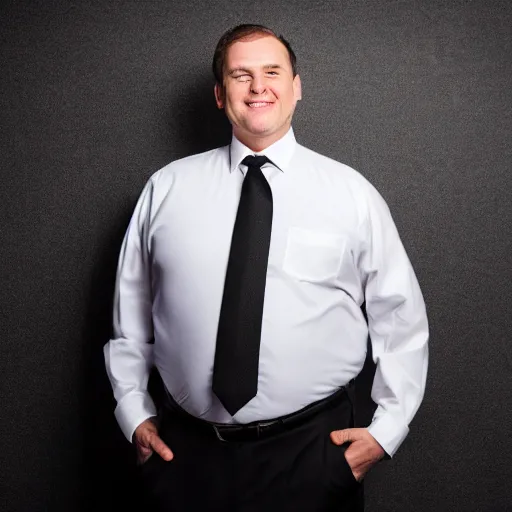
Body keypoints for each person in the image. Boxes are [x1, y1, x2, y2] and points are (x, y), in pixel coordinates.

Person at [104, 23, 429, 511]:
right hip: (186, 459)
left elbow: (401, 319)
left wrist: (385, 433)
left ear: (296, 87)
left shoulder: (351, 194)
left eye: (272, 72)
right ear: (220, 94)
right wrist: (133, 412)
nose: (259, 87)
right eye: (241, 75)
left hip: (312, 456)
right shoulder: (166, 189)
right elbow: (130, 316)